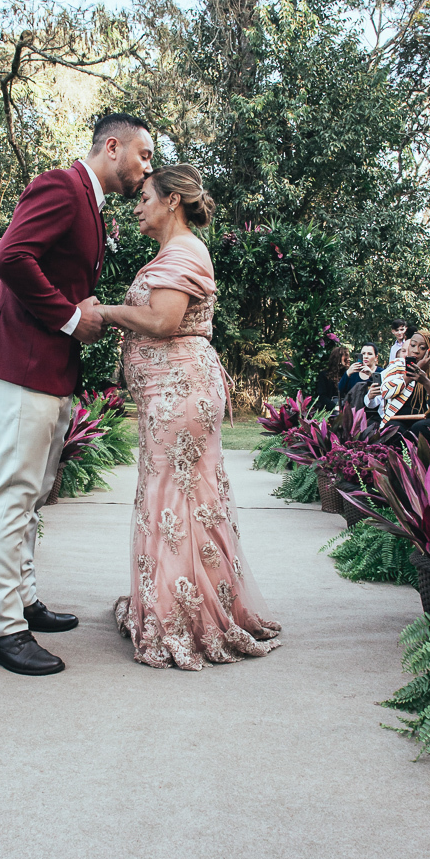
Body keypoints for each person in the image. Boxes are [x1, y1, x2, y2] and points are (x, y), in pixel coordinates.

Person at [0, 111, 155, 676]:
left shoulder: (91, 204)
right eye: (144, 155)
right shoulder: (61, 185)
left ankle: (22, 599)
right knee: (11, 494)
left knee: (34, 494)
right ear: (114, 147)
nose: (148, 168)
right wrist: (72, 319)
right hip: (22, 364)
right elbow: (10, 258)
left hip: (49, 370)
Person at [97, 165, 280, 669]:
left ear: (172, 201)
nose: (136, 207)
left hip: (180, 391)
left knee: (176, 502)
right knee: (178, 498)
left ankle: (183, 616)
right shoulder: (173, 252)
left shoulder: (183, 250)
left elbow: (162, 321)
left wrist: (107, 312)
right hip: (168, 392)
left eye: (144, 198)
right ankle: (176, 605)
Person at [365, 329, 430, 428]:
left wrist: (425, 380)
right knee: (394, 428)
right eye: (413, 345)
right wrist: (411, 374)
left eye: (422, 347)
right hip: (398, 419)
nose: (416, 351)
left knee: (421, 427)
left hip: (425, 420)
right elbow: (385, 392)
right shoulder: (397, 365)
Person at [316, 345, 350, 412]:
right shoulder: (324, 374)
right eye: (346, 356)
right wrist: (334, 407)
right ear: (338, 358)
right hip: (330, 411)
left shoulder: (348, 374)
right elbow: (322, 396)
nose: (349, 359)